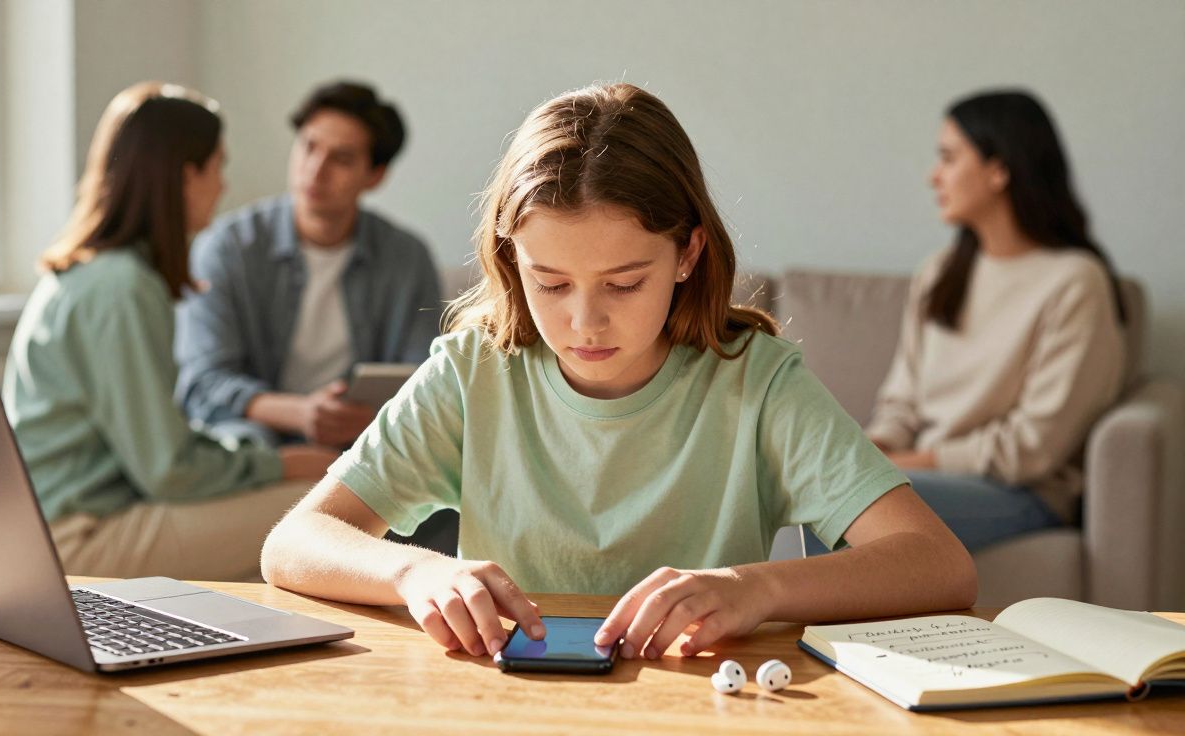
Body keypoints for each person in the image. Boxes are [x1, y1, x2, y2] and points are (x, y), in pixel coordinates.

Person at [260, 83, 976, 662]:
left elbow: (940, 565)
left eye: (625, 284)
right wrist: (415, 571)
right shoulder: (473, 372)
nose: (584, 322)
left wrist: (753, 589)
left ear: (688, 254)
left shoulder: (755, 382)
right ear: (511, 260)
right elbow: (293, 542)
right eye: (550, 282)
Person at [3, 82, 334, 581]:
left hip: (53, 522)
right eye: (218, 166)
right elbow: (168, 471)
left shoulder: (88, 273)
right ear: (185, 175)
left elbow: (158, 444)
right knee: (327, 508)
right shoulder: (121, 288)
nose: (223, 186)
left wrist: (258, 459)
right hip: (78, 536)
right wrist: (282, 464)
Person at [863, 90, 1127, 553]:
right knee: (815, 491)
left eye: (948, 158)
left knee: (854, 506)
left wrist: (901, 463)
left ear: (999, 170)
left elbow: (1033, 446)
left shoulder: (1075, 282)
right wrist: (870, 449)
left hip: (1019, 493)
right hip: (917, 475)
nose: (933, 176)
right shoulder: (939, 273)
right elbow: (901, 402)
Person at [175, 81, 442, 449]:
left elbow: (426, 381)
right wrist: (300, 413)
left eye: (342, 159)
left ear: (375, 175)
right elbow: (203, 380)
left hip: (367, 439)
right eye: (308, 147)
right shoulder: (228, 248)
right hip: (258, 435)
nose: (315, 171)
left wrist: (369, 420)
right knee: (243, 441)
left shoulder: (406, 258)